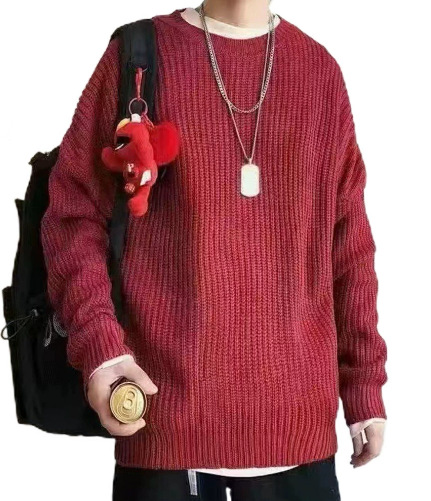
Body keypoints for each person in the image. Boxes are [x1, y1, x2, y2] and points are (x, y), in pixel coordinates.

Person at [40, 1, 388, 500]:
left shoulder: (319, 72)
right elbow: (73, 216)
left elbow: (349, 243)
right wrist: (101, 349)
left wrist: (364, 383)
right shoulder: (138, 58)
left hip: (296, 429)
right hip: (161, 422)